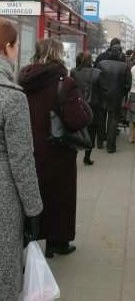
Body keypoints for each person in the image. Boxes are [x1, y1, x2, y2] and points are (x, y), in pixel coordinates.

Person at [18, 39, 92, 258]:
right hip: (57, 151)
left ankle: (28, 240)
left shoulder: (24, 80)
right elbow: (75, 120)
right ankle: (57, 243)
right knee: (59, 197)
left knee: (33, 194)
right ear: (58, 54)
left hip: (29, 148)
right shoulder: (65, 82)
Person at [0, 18, 43, 300]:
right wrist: (34, 209)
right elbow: (21, 159)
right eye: (16, 47)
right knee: (5, 265)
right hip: (4, 193)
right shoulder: (11, 96)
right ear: (8, 48)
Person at [95, 43, 132, 153]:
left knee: (101, 119)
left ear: (110, 52)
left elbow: (95, 80)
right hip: (116, 97)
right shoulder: (124, 66)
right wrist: (122, 93)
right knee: (113, 120)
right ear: (120, 53)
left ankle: (100, 142)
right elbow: (128, 84)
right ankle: (111, 147)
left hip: (102, 95)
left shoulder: (101, 64)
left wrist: (99, 91)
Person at [70, 51, 102, 165]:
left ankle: (73, 155)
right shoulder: (97, 73)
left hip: (78, 104)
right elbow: (101, 90)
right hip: (93, 105)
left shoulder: (73, 72)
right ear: (90, 60)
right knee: (92, 132)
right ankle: (87, 157)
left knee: (76, 130)